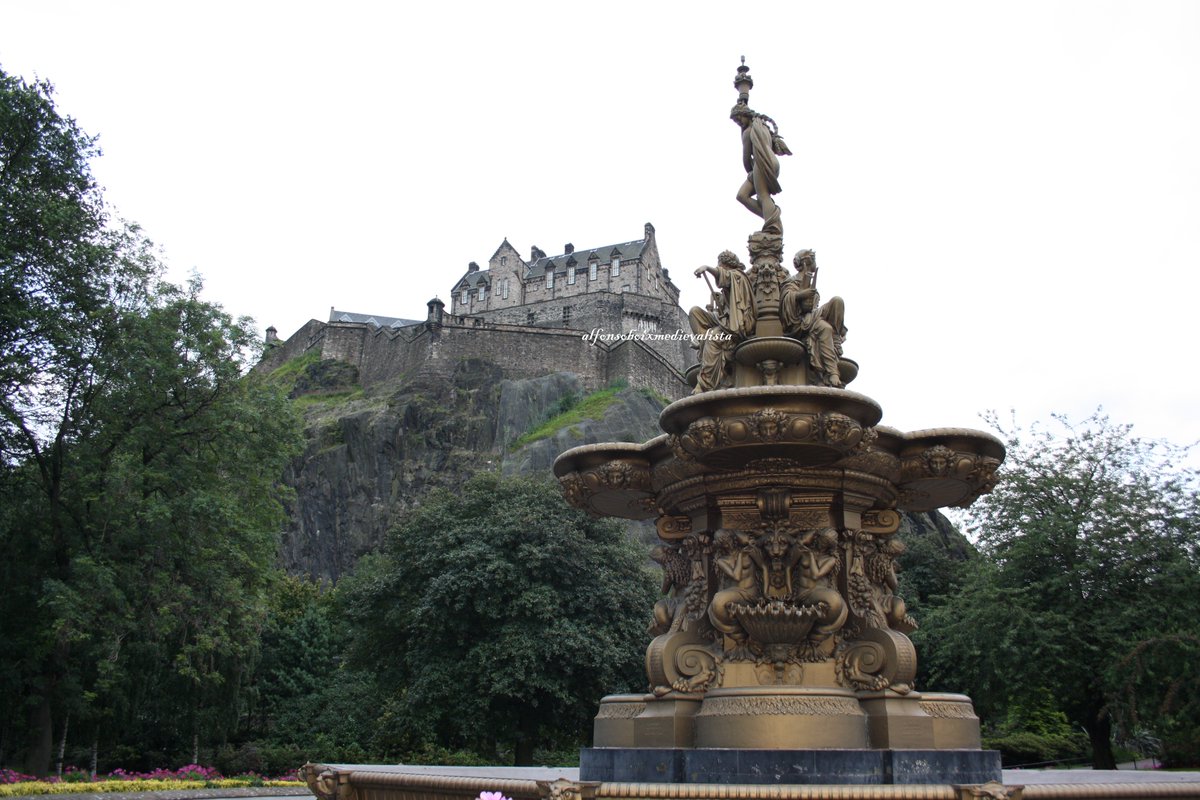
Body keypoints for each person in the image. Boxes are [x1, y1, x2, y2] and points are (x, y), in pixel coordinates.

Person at [732, 103, 791, 235]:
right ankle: (771, 218)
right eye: (736, 122)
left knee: (763, 195)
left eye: (739, 119)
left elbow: (746, 158)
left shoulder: (749, 131)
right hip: (771, 162)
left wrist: (750, 173)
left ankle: (773, 226)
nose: (739, 123)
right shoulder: (763, 127)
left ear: (745, 114)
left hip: (762, 163)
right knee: (742, 195)